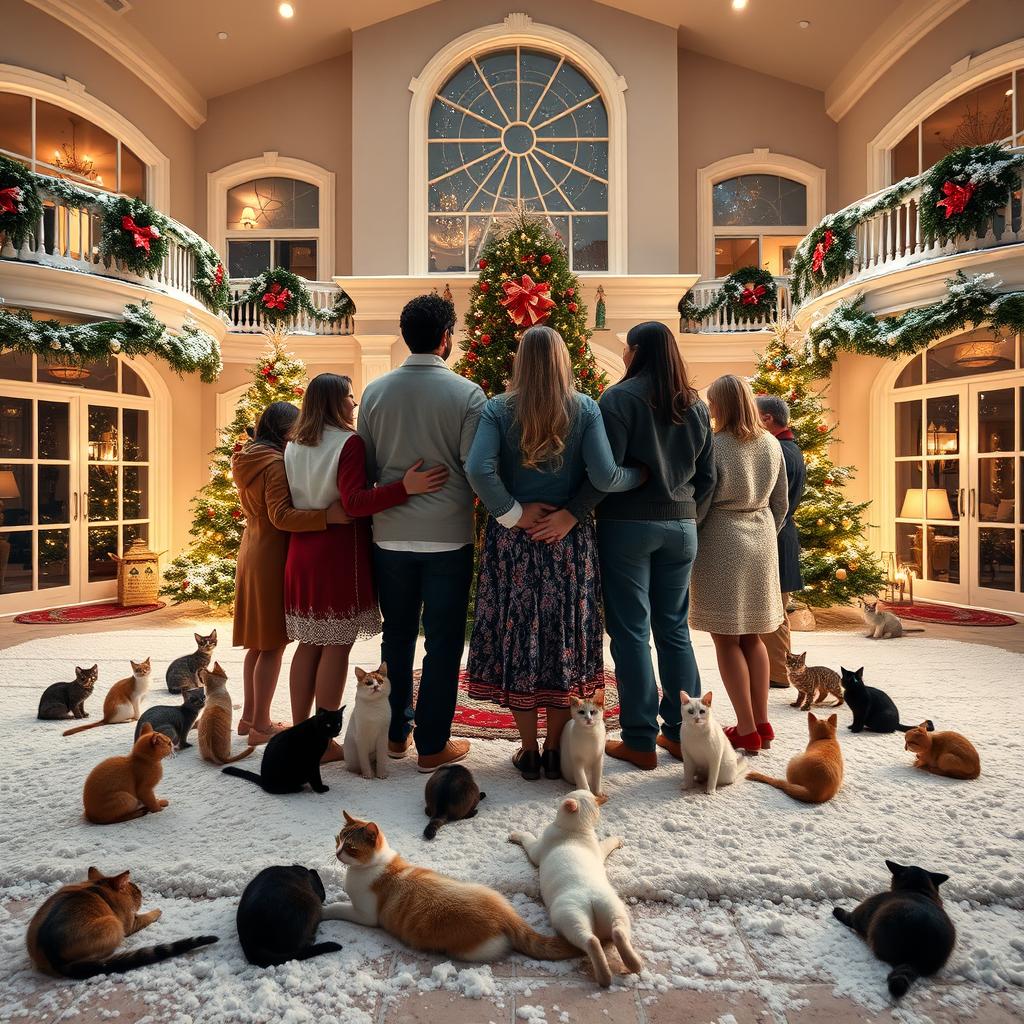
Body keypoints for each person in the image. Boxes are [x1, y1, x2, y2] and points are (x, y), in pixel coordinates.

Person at [465, 324, 645, 780]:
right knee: (563, 641)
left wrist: (512, 512)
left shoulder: (497, 409)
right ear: (565, 360)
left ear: (520, 361)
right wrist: (638, 477)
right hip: (568, 540)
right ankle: (552, 750)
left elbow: (477, 469)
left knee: (522, 640)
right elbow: (604, 476)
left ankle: (527, 750)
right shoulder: (584, 407)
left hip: (515, 545)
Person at [561, 321, 715, 771]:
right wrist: (689, 517)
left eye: (627, 349)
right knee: (675, 632)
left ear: (637, 352)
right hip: (681, 527)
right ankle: (682, 735)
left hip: (628, 526)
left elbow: (604, 474)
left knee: (631, 634)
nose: (624, 356)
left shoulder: (618, 399)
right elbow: (708, 478)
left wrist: (573, 511)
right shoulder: (696, 406)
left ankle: (640, 740)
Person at [284, 373, 447, 757]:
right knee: (337, 646)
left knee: (308, 643)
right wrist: (404, 488)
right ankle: (322, 743)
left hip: (302, 550)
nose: (354, 405)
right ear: (334, 402)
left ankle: (300, 732)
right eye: (350, 398)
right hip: (337, 553)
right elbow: (355, 503)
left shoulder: (293, 445)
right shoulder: (348, 442)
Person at [358, 294, 487, 773]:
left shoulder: (374, 393)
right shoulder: (468, 394)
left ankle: (395, 736)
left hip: (389, 537)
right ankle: (432, 744)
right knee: (444, 641)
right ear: (446, 337)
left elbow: (367, 469)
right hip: (448, 538)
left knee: (396, 637)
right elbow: (477, 468)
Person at [231, 402, 349, 745]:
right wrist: (327, 516)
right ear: (285, 434)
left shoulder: (248, 457)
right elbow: (281, 516)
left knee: (257, 643)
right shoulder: (274, 464)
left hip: (251, 549)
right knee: (272, 646)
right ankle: (261, 726)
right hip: (270, 555)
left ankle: (249, 717)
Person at [689, 374, 788, 755]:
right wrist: (764, 529)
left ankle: (745, 729)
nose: (710, 409)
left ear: (723, 405)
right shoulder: (771, 444)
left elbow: (702, 501)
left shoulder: (714, 446)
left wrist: (693, 531)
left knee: (725, 636)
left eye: (713, 403)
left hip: (722, 537)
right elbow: (781, 502)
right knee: (754, 636)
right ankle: (762, 722)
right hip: (761, 536)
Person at [756, 395, 807, 689]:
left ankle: (777, 674)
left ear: (767, 419)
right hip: (784, 534)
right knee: (775, 607)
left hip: (776, 536)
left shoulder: (778, 450)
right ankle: (777, 669)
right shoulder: (791, 448)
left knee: (773, 610)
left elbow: (771, 501)